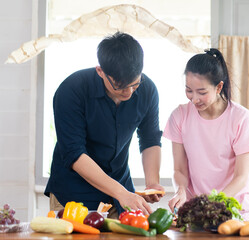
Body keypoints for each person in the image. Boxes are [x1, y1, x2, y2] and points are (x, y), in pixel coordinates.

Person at [44, 32, 164, 218]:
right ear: (100, 71)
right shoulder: (72, 89)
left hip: (120, 192)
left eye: (134, 84)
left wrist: (152, 182)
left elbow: (149, 140)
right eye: (120, 86)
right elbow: (74, 153)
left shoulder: (148, 89)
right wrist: (121, 192)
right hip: (73, 192)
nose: (129, 92)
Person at [163, 48, 249, 221]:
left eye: (202, 93)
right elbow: (179, 169)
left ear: (219, 87)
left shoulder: (241, 118)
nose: (194, 99)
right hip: (196, 212)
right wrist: (181, 191)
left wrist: (213, 204)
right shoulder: (179, 116)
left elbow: (241, 176)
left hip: (234, 211)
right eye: (189, 90)